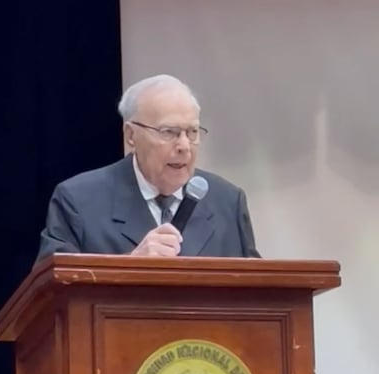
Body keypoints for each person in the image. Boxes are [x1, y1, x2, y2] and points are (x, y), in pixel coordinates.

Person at [35, 74, 260, 262]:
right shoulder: (78, 200)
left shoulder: (227, 202)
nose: (184, 146)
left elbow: (260, 296)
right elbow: (52, 296)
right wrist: (130, 264)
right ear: (131, 136)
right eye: (168, 132)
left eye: (192, 132)